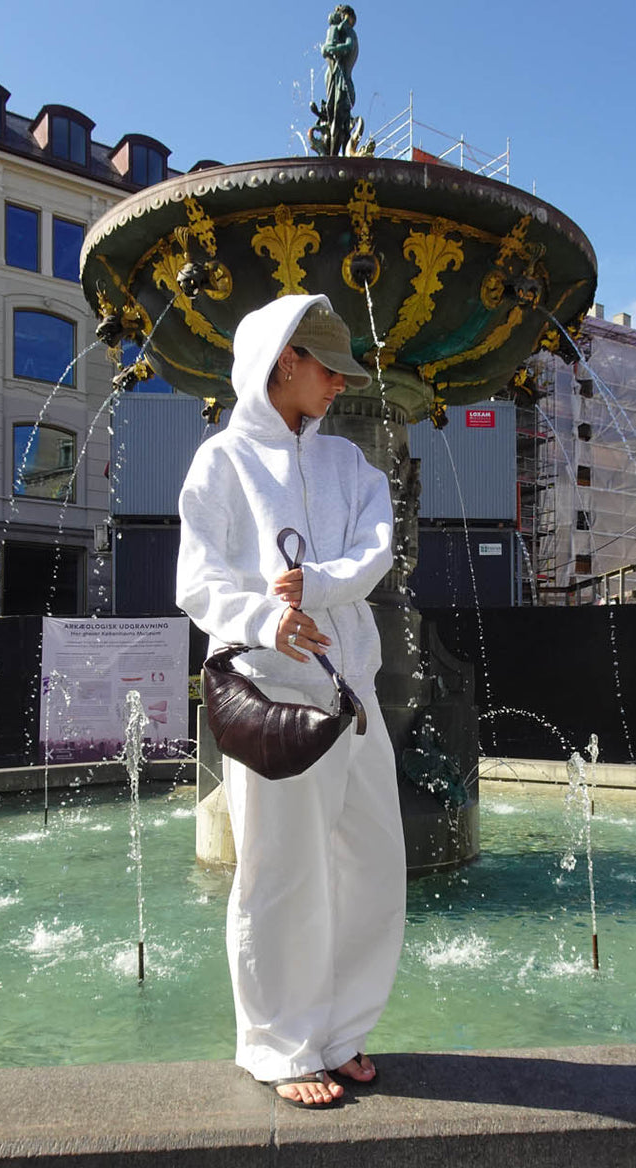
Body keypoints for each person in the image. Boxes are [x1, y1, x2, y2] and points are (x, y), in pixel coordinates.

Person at [176, 293, 406, 1107]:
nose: (341, 383)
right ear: (285, 361)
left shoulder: (352, 466)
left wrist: (320, 584)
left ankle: (340, 1033)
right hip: (272, 699)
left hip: (354, 696)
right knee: (281, 875)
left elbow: (375, 553)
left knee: (375, 867)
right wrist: (270, 620)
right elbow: (196, 582)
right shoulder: (222, 461)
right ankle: (277, 1046)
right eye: (328, 367)